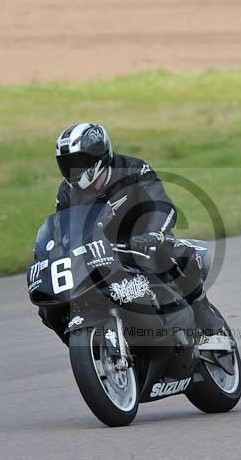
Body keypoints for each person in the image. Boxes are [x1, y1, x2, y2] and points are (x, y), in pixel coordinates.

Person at [48, 122, 229, 347]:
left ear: (98, 157)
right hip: (101, 252)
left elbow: (162, 205)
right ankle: (91, 344)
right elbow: (63, 231)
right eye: (66, 164)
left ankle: (203, 313)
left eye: (78, 162)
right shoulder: (67, 192)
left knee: (176, 255)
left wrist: (154, 234)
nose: (72, 169)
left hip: (144, 240)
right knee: (50, 301)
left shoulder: (134, 169)